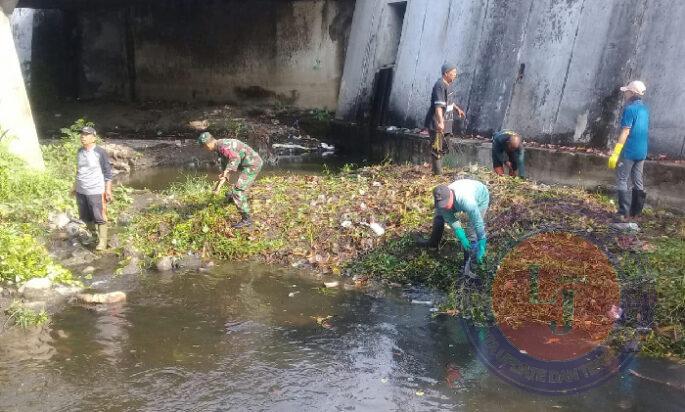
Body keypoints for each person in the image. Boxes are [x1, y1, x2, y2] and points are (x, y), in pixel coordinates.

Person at [198, 132, 263, 228]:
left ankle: (247, 219)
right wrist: (217, 187)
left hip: (253, 164)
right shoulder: (219, 147)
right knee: (235, 188)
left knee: (237, 191)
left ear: (208, 144)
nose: (205, 149)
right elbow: (226, 168)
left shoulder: (223, 146)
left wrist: (227, 170)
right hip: (247, 164)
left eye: (204, 147)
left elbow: (234, 158)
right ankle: (233, 196)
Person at [418, 179, 489, 264]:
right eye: (442, 204)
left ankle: (470, 262)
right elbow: (451, 219)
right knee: (439, 215)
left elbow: (477, 222)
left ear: (450, 195)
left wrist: (482, 240)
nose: (445, 206)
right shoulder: (442, 200)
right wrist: (461, 235)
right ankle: (433, 244)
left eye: (446, 203)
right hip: (461, 198)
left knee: (471, 232)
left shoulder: (466, 200)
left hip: (480, 198)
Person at [608, 80, 650, 220]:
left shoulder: (630, 109)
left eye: (626, 91)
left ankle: (623, 212)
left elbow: (625, 132)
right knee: (638, 180)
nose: (625, 93)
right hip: (642, 151)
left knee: (622, 178)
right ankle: (636, 213)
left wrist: (616, 153)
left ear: (632, 93)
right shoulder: (644, 109)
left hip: (630, 151)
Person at [73, 126, 113, 251]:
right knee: (85, 216)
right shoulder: (80, 151)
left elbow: (108, 173)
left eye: (86, 135)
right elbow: (79, 171)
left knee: (99, 216)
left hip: (95, 190)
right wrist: (74, 186)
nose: (83, 137)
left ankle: (102, 241)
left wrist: (108, 190)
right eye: (82, 134)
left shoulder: (99, 152)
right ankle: (94, 236)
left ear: (94, 138)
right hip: (81, 190)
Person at [424, 62, 465, 175]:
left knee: (443, 147)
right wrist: (440, 122)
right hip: (437, 122)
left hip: (446, 122)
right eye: (453, 73)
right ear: (446, 73)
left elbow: (448, 101)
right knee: (437, 148)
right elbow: (438, 106)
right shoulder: (440, 85)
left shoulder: (447, 85)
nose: (455, 75)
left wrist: (457, 109)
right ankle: (437, 174)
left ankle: (437, 170)